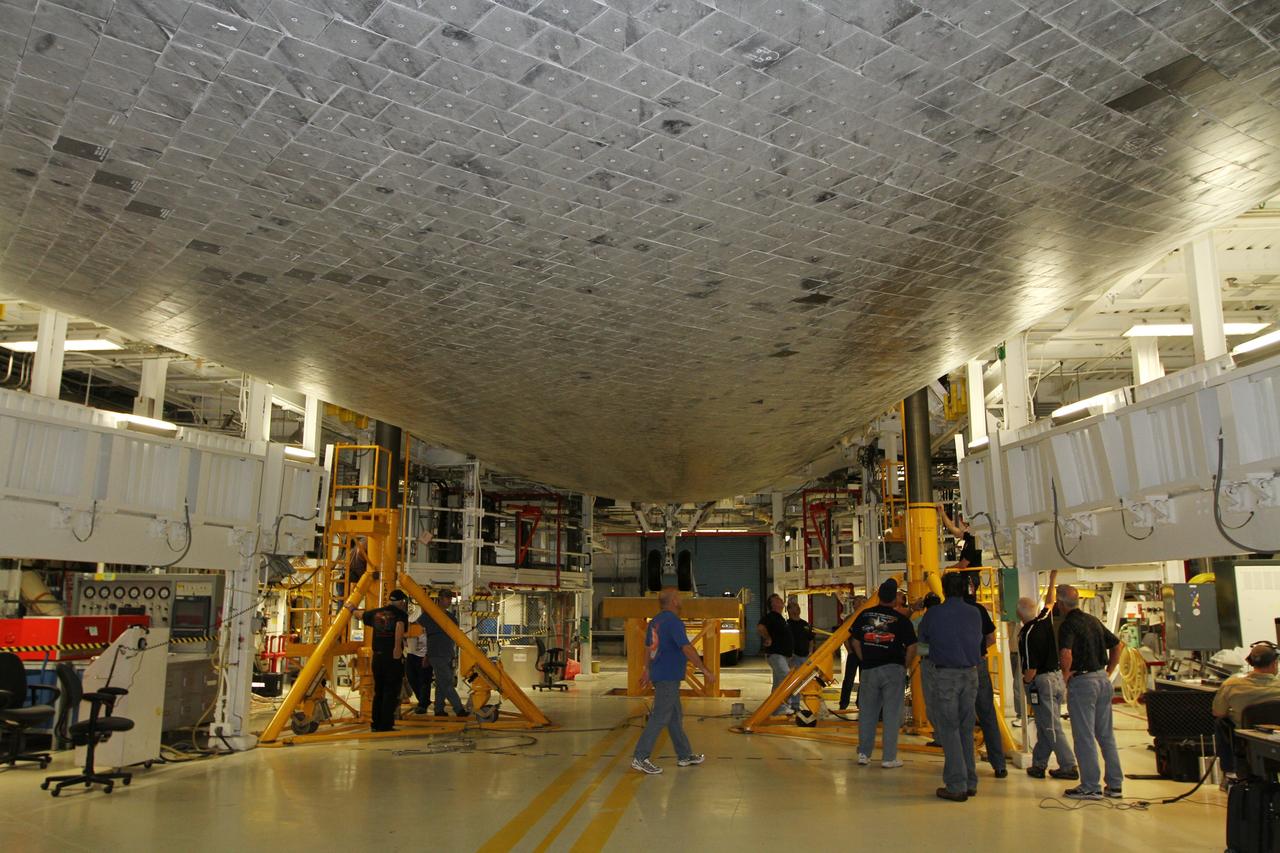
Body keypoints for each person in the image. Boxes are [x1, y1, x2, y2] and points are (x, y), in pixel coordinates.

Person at [918, 571, 983, 801]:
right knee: (966, 729)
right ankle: (970, 781)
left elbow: (923, 638)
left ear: (943, 590)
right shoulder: (974, 613)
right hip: (971, 675)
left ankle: (956, 785)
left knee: (949, 729)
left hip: (946, 676)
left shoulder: (935, 614)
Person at [632, 587, 711, 775]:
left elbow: (649, 648)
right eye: (678, 596)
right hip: (667, 677)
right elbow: (686, 648)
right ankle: (640, 757)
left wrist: (647, 669)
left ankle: (684, 755)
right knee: (660, 717)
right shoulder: (673, 622)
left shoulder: (656, 621)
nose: (681, 599)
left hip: (663, 675)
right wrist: (704, 670)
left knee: (674, 717)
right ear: (674, 601)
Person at [1057, 584, 1124, 800]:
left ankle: (1090, 785)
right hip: (1102, 680)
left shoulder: (1068, 625)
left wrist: (1065, 677)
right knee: (1106, 735)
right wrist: (1109, 671)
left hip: (1083, 683)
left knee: (1084, 735)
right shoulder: (1093, 621)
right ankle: (1115, 785)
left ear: (1060, 603)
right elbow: (1117, 645)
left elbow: (1066, 653)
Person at [851, 578, 917, 768]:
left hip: (869, 669)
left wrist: (865, 659)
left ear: (878, 596)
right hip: (893, 669)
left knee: (867, 713)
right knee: (891, 714)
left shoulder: (864, 615)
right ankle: (888, 758)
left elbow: (854, 641)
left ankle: (864, 754)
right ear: (895, 600)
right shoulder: (902, 620)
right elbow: (912, 646)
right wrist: (904, 665)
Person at [1016, 595, 1077, 780]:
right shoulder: (1043, 620)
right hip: (1057, 679)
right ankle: (1039, 764)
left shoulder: (1027, 633)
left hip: (1043, 682)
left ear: (1019, 613)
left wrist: (1026, 683)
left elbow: (1031, 668)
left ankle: (1069, 765)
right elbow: (1050, 602)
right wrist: (1052, 578)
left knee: (1051, 727)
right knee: (1045, 725)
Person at [1213, 641, 1280, 781]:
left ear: (1250, 662)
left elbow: (1218, 712)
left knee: (1221, 722)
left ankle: (1230, 771)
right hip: (1276, 741)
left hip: (1247, 743)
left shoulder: (1231, 685)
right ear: (1275, 663)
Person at [964, 577, 1007, 778]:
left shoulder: (943, 612)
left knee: (961, 717)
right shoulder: (979, 611)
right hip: (978, 663)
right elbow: (990, 637)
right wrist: (980, 652)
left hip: (956, 667)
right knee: (987, 714)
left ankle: (964, 764)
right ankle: (999, 764)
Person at [361, 589, 409, 732]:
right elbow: (400, 627)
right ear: (400, 602)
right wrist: (397, 648)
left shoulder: (375, 613)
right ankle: (386, 725)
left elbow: (360, 615)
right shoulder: (400, 615)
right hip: (391, 657)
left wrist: (351, 608)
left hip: (377, 657)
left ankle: (375, 724)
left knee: (379, 690)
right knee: (391, 691)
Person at [418, 589, 467, 717]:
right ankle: (458, 709)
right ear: (440, 598)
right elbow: (417, 630)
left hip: (448, 653)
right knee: (446, 682)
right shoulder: (429, 615)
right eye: (447, 598)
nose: (449, 601)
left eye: (450, 598)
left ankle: (439, 709)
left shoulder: (451, 617)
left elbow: (455, 634)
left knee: (441, 682)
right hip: (436, 653)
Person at [757, 593, 795, 713]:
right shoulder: (770, 617)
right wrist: (767, 637)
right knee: (786, 679)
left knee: (778, 684)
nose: (781, 601)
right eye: (777, 599)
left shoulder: (780, 618)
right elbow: (760, 627)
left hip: (783, 656)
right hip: (776, 655)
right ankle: (783, 707)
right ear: (772, 604)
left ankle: (775, 708)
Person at [839, 595, 867, 712]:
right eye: (856, 602)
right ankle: (843, 703)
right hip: (853, 653)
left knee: (864, 679)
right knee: (849, 679)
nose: (855, 604)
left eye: (857, 602)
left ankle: (860, 702)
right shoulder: (849, 619)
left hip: (865, 652)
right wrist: (849, 650)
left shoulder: (867, 617)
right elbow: (844, 636)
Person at [404, 600, 433, 714]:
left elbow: (432, 640)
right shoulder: (414, 617)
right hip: (411, 654)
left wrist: (428, 656)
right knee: (411, 678)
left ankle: (423, 704)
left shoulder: (431, 621)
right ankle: (423, 700)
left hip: (424, 655)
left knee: (424, 681)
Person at [938, 504, 980, 569]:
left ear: (967, 525)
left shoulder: (974, 542)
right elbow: (951, 527)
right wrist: (942, 513)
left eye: (962, 523)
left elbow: (963, 564)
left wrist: (949, 568)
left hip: (971, 577)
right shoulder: (970, 537)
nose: (961, 526)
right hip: (967, 577)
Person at [787, 600, 814, 673]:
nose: (798, 608)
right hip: (793, 656)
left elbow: (810, 639)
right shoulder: (787, 625)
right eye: (795, 606)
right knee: (795, 677)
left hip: (805, 656)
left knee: (806, 676)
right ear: (789, 610)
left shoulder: (805, 624)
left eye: (798, 607)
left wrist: (810, 652)